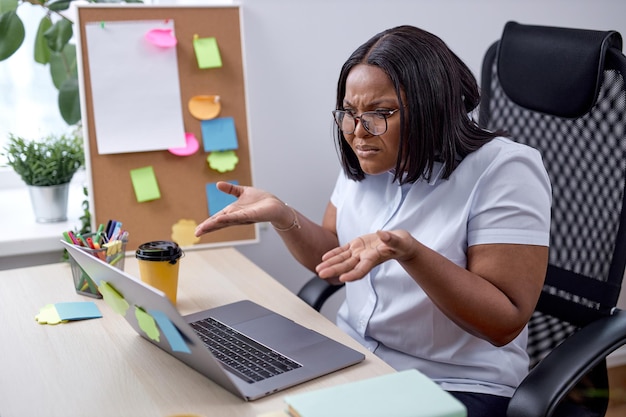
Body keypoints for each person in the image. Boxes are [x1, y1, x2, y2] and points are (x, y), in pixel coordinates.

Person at [195, 25, 551, 417]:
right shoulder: (369, 155)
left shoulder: (504, 168)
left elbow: (503, 323)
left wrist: (411, 253)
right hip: (356, 359)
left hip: (453, 383)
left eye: (380, 113)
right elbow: (334, 264)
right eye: (349, 113)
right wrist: (283, 215)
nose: (358, 132)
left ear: (433, 106)